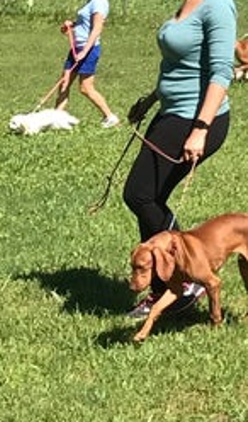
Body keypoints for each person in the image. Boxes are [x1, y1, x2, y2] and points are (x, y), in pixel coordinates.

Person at [123, 0, 237, 318]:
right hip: (170, 114)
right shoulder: (188, 4)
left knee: (140, 194)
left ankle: (185, 280)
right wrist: (150, 101)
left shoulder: (218, 7)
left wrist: (201, 128)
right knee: (149, 197)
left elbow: (220, 72)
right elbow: (180, 65)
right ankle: (168, 284)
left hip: (194, 120)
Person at [55, 0, 119, 128]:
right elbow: (85, 23)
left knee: (85, 88)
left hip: (88, 50)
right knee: (64, 83)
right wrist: (72, 25)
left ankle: (110, 117)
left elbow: (97, 28)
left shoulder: (99, 3)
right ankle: (56, 119)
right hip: (77, 48)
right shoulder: (90, 2)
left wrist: (84, 52)